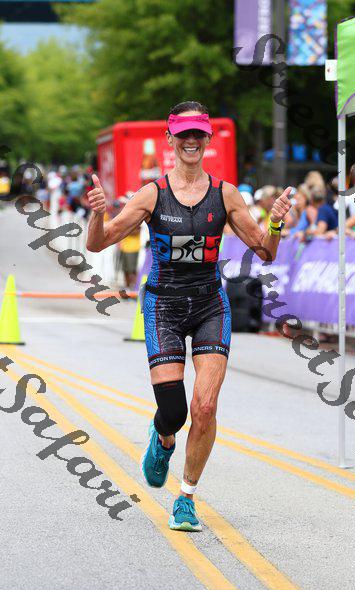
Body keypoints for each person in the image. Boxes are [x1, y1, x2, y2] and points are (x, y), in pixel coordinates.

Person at [86, 101, 291, 532]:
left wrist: (274, 225)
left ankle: (186, 497)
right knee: (175, 412)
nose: (191, 141)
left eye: (198, 133)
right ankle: (162, 439)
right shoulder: (152, 194)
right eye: (184, 135)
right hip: (163, 305)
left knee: (206, 405)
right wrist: (96, 213)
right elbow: (98, 243)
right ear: (171, 140)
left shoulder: (226, 194)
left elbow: (265, 251)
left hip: (210, 304)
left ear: (208, 139)